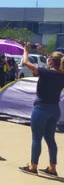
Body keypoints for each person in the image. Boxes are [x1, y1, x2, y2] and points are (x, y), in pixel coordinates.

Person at [18, 43, 64, 177]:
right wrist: (44, 51)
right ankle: (52, 168)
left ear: (52, 61)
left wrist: (25, 50)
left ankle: (33, 166)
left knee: (36, 138)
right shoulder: (62, 75)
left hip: (41, 108)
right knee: (50, 139)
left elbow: (26, 62)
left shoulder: (46, 72)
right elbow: (55, 61)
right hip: (54, 109)